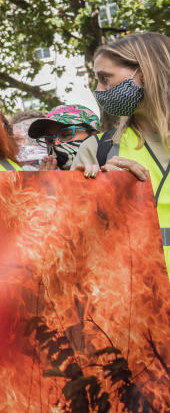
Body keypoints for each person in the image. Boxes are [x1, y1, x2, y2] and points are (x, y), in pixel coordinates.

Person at [74, 32, 170, 271]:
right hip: (137, 297)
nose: (99, 90)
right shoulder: (98, 149)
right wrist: (92, 192)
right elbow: (75, 242)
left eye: (105, 78)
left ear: (146, 72)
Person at [27, 105, 100, 170]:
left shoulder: (110, 164)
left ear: (94, 134)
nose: (56, 143)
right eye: (50, 141)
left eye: (66, 135)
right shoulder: (50, 180)